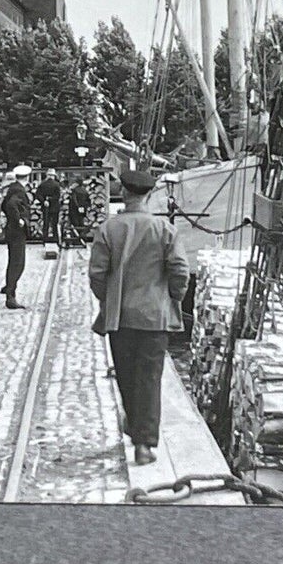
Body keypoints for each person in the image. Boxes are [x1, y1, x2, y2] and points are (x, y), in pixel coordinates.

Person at [88, 166, 190, 465]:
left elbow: (96, 275)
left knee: (127, 375)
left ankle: (134, 428)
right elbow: (180, 271)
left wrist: (109, 300)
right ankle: (144, 444)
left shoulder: (109, 228)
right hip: (154, 317)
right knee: (149, 378)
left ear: (124, 192)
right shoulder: (165, 230)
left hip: (120, 317)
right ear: (148, 195)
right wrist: (173, 298)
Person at [0, 164, 32, 308]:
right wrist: (19, 220)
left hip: (11, 231)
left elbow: (4, 205)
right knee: (18, 263)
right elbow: (11, 205)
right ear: (27, 177)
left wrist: (11, 218)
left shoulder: (12, 189)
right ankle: (10, 297)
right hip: (17, 232)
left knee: (14, 261)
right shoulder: (19, 191)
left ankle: (9, 288)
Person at [36, 168, 63, 248]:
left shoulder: (42, 184)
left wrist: (44, 201)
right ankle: (55, 239)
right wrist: (50, 200)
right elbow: (57, 196)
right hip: (54, 207)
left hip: (45, 207)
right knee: (54, 224)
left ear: (47, 175)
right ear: (53, 176)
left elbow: (38, 195)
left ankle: (45, 239)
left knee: (46, 224)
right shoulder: (56, 184)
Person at [66, 177, 91, 246]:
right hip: (83, 210)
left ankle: (76, 240)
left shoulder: (74, 191)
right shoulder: (85, 191)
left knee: (75, 224)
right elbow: (88, 200)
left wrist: (77, 206)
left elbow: (74, 199)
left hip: (74, 210)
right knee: (81, 224)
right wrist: (84, 207)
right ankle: (83, 238)